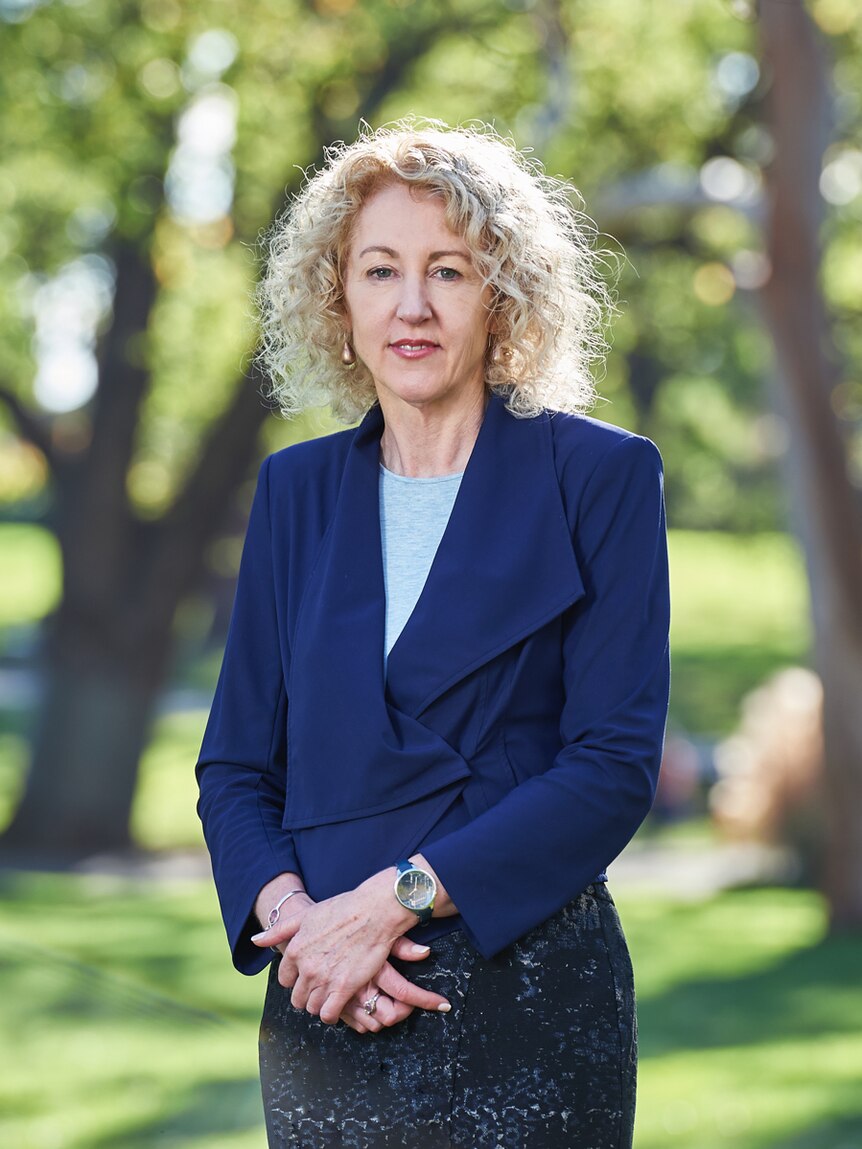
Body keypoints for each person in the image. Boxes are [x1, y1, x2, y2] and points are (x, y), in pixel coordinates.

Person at [196, 120, 670, 1149]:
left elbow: (611, 767)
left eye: (447, 271)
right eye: (380, 271)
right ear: (339, 297)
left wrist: (390, 903)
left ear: (500, 293)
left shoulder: (599, 477)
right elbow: (234, 766)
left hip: (524, 990)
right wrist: (303, 929)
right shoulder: (294, 491)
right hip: (325, 993)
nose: (411, 306)